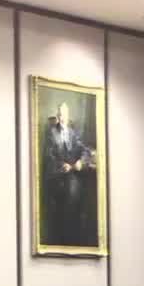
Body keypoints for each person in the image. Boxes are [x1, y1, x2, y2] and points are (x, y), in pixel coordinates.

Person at [43, 101, 97, 247]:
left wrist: (81, 161)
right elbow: (48, 156)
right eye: (60, 115)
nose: (62, 118)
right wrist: (62, 166)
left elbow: (84, 150)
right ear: (57, 115)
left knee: (80, 197)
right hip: (57, 177)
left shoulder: (73, 133)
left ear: (68, 116)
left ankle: (76, 236)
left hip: (73, 175)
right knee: (68, 199)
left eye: (64, 115)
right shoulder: (51, 133)